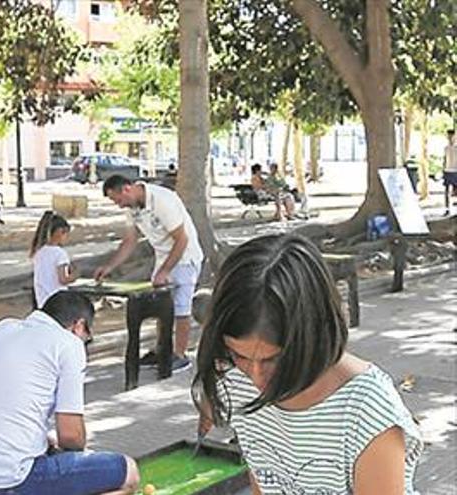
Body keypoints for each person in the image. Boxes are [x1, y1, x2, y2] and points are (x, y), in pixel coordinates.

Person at [192, 234, 423, 493]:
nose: (256, 377)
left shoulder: (367, 411)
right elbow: (265, 479)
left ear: (315, 336)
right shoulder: (235, 379)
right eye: (240, 356)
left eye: (274, 359)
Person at [0, 291, 139, 495]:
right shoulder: (69, 344)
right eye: (87, 338)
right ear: (79, 326)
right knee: (128, 472)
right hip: (2, 480)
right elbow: (71, 436)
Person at [93, 174, 203, 374]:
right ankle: (162, 349)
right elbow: (130, 241)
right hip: (163, 258)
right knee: (161, 308)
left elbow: (182, 239)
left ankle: (180, 354)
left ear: (126, 189)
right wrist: (110, 267)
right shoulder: (132, 208)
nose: (119, 205)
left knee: (180, 309)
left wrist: (165, 271)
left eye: (118, 200)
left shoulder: (162, 200)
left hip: (185, 258)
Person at [30, 211, 78, 309]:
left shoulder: (38, 251)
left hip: (41, 299)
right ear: (60, 232)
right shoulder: (60, 253)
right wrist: (75, 275)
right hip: (58, 300)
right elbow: (63, 279)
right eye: (66, 234)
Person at [443, 129, 457, 216]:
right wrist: (443, 169)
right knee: (446, 190)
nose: (450, 138)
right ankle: (447, 208)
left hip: (456, 170)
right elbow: (444, 159)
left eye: (451, 136)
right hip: (448, 170)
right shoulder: (446, 148)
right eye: (448, 136)